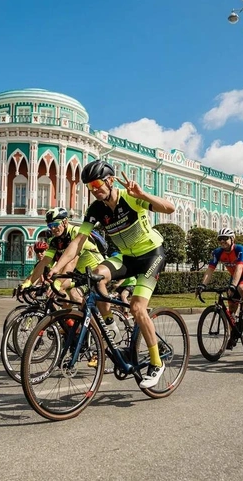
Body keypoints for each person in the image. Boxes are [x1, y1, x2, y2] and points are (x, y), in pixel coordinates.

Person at [47, 160, 175, 388]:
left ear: (110, 180)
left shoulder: (131, 197)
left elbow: (170, 208)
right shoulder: (96, 209)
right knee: (96, 275)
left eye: (97, 183)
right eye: (89, 187)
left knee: (137, 307)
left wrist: (143, 194)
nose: (94, 189)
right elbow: (78, 241)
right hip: (126, 256)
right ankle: (110, 325)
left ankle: (156, 362)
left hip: (151, 254)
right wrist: (56, 268)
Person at [21, 207, 104, 301]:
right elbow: (45, 262)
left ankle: (89, 315)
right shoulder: (54, 240)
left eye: (55, 224)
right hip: (82, 275)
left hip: (97, 272)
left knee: (74, 294)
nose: (53, 228)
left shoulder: (76, 232)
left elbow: (72, 262)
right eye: (50, 225)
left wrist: (57, 284)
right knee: (61, 293)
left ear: (65, 222)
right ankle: (67, 315)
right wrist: (28, 282)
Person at [197, 228, 243, 324]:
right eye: (219, 239)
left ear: (232, 239)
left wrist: (233, 285)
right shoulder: (218, 252)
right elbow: (210, 269)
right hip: (235, 275)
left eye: (225, 238)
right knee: (231, 306)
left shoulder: (240, 249)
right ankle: (232, 335)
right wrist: (203, 285)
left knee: (241, 288)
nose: (222, 241)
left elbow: (239, 268)